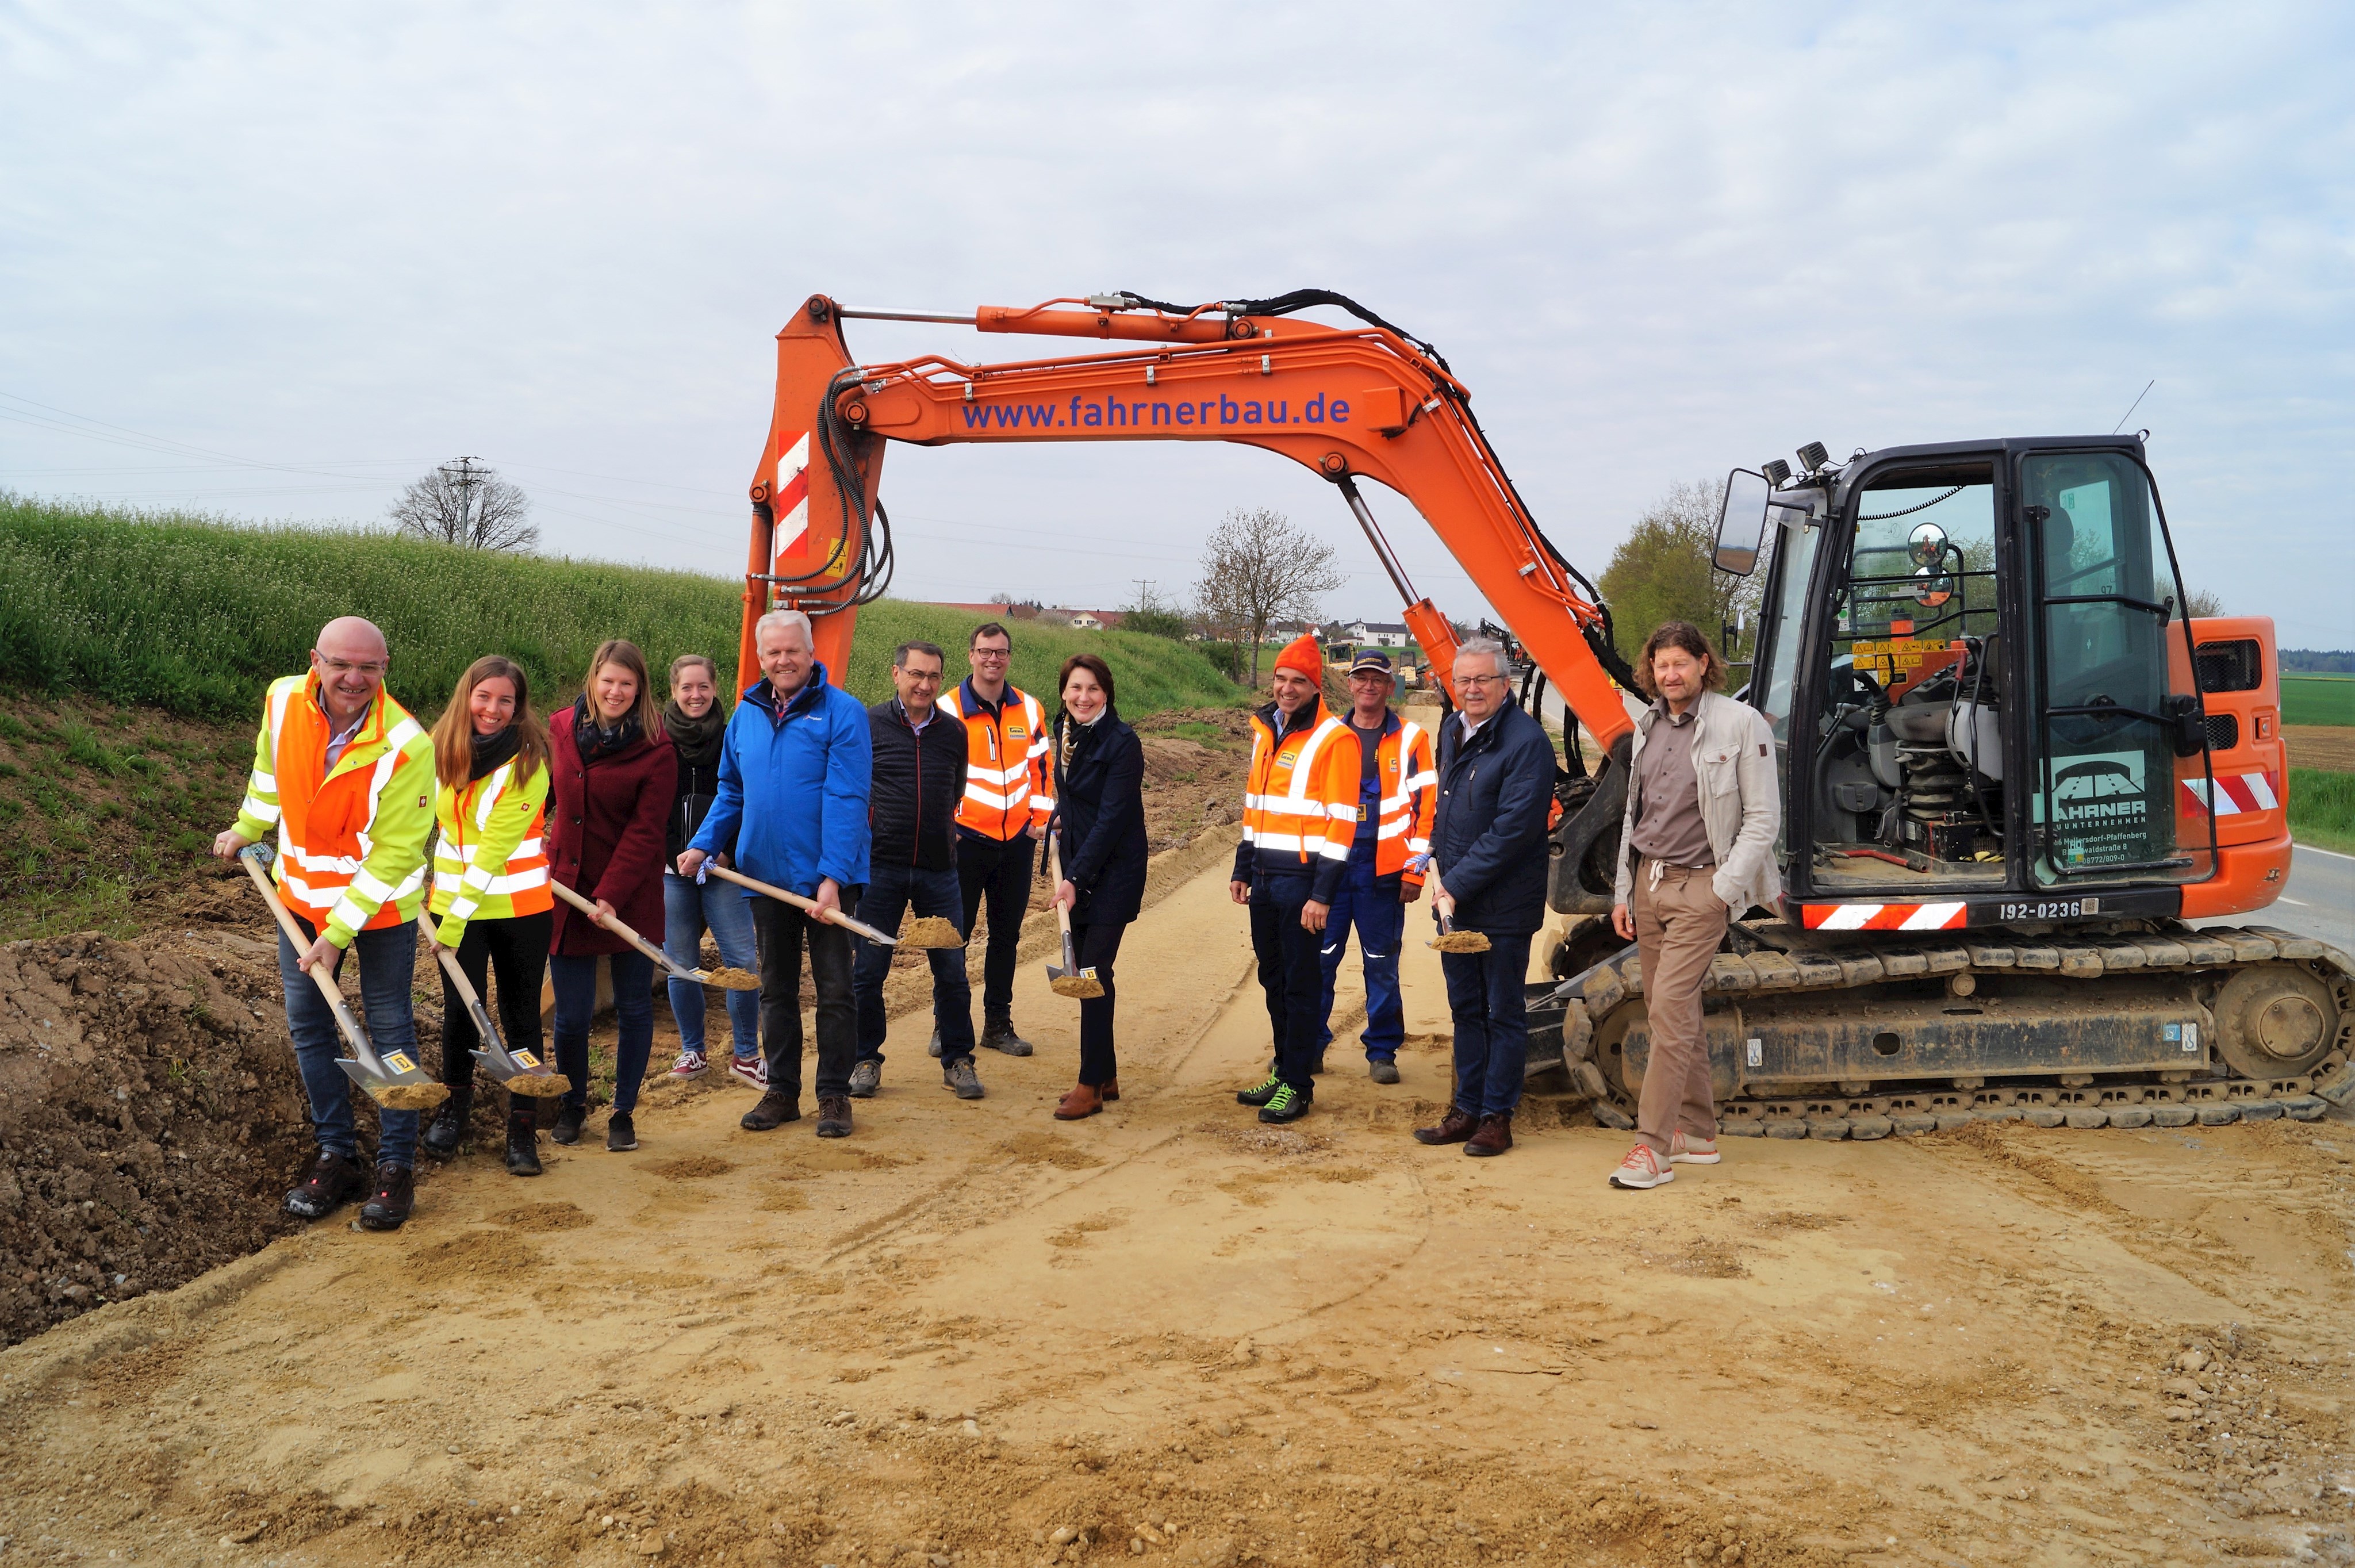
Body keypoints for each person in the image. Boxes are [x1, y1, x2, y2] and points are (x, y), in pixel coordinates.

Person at [213, 616, 436, 1229]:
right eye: (341, 664)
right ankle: (337, 1153)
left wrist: (337, 935)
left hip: (380, 908)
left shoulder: (407, 744)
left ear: (384, 670)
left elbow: (395, 854)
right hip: (301, 900)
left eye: (369, 667)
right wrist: (249, 826)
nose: (354, 678)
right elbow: (268, 770)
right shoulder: (284, 699)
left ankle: (397, 1167)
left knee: (388, 1025)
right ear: (316, 660)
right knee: (310, 1025)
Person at [682, 609, 872, 1140]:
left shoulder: (842, 713)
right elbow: (732, 791)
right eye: (773, 653)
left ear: (813, 655)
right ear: (762, 658)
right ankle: (782, 1090)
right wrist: (703, 845)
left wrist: (831, 878)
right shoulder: (745, 715)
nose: (783, 660)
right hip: (765, 876)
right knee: (776, 988)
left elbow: (848, 798)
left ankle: (833, 1093)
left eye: (793, 650)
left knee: (835, 988)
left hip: (829, 879)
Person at [1605, 621, 1781, 1190]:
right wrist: (1622, 891)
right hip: (1648, 883)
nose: (1669, 674)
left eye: (1680, 662)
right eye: (1660, 665)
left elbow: (1762, 820)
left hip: (1700, 887)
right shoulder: (1648, 725)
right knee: (1674, 1011)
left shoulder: (1738, 723)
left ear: (1704, 664)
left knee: (1667, 1009)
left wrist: (1723, 891)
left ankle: (1652, 1148)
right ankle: (1698, 1133)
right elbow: (1635, 818)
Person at [1413, 637, 1556, 1157]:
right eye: (1463, 681)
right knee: (1465, 1008)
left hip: (1503, 905)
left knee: (1502, 1010)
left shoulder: (1526, 743)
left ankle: (1498, 1116)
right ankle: (1465, 1108)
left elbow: (1512, 832)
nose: (1471, 689)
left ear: (1505, 684)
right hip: (1456, 903)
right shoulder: (1453, 728)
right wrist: (1430, 854)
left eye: (1482, 680)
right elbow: (1446, 806)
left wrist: (1455, 883)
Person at [419, 655, 555, 1176]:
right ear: (467, 696)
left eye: (506, 701)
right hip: (453, 905)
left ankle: (523, 1127)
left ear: (519, 707)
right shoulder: (439, 747)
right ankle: (455, 1108)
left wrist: (453, 920)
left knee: (521, 1015)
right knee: (460, 1012)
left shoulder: (528, 761)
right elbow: (417, 818)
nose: (493, 710)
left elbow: (494, 849)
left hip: (519, 909)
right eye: (485, 697)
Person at [546, 639, 677, 1155]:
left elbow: (647, 832)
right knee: (572, 1016)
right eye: (608, 681)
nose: (616, 691)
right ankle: (573, 1104)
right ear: (592, 680)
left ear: (640, 688)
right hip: (568, 891)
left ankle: (623, 1111)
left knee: (632, 1008)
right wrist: (532, 829)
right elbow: (542, 793)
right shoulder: (560, 729)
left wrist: (612, 895)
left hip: (631, 895)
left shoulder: (657, 748)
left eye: (627, 683)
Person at [1230, 634, 1360, 1125]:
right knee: (1273, 979)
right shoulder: (1265, 729)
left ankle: (1299, 1086)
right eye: (1281, 678)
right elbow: (1255, 808)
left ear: (1315, 685)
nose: (1287, 688)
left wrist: (1322, 894)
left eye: (1298, 681)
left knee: (1302, 984)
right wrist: (1244, 868)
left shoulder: (1335, 739)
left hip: (1304, 883)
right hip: (1264, 878)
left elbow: (1342, 823)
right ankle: (1284, 1069)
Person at [851, 641, 979, 1099]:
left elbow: (956, 789)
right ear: (896, 674)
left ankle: (959, 1058)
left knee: (952, 970)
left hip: (939, 870)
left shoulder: (954, 733)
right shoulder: (867, 725)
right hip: (878, 869)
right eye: (916, 675)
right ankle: (866, 1060)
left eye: (933, 677)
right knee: (867, 971)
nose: (924, 685)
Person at [1314, 650, 1436, 1084]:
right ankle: (1310, 1046)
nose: (1369, 685)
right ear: (1350, 683)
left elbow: (1426, 810)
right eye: (1361, 678)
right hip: (1331, 869)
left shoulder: (1411, 739)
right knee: (1318, 960)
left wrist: (1414, 870)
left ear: (1390, 686)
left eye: (1377, 679)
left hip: (1382, 871)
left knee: (1381, 962)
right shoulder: (1327, 736)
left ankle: (1382, 1050)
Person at [937, 622, 1051, 1059]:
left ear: (1009, 656)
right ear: (971, 655)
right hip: (964, 841)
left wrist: (1038, 821)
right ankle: (946, 1022)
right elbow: (937, 774)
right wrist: (946, 830)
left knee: (1006, 936)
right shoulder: (948, 709)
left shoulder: (1029, 709)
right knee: (956, 935)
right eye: (985, 651)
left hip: (1017, 843)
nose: (993, 659)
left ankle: (998, 1024)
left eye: (1000, 652)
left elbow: (1040, 772)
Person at [1046, 654, 1148, 1120]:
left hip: (1113, 873)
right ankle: (1106, 1073)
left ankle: (1089, 1085)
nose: (1082, 697)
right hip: (1079, 865)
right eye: (1075, 688)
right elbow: (1073, 797)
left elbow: (1112, 820)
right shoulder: (1065, 734)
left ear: (1106, 693)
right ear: (1064, 692)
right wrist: (1057, 821)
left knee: (1089, 974)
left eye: (1092, 689)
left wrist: (1074, 878)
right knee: (1095, 976)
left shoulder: (1122, 743)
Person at [659, 654, 764, 1088]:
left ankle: (746, 1055)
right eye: (687, 687)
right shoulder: (658, 743)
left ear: (715, 689)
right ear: (674, 692)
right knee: (679, 964)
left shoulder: (733, 736)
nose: (696, 695)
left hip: (723, 871)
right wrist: (672, 856)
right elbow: (651, 810)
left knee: (740, 961)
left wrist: (725, 854)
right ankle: (693, 1050)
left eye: (703, 687)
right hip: (672, 873)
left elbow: (747, 799)